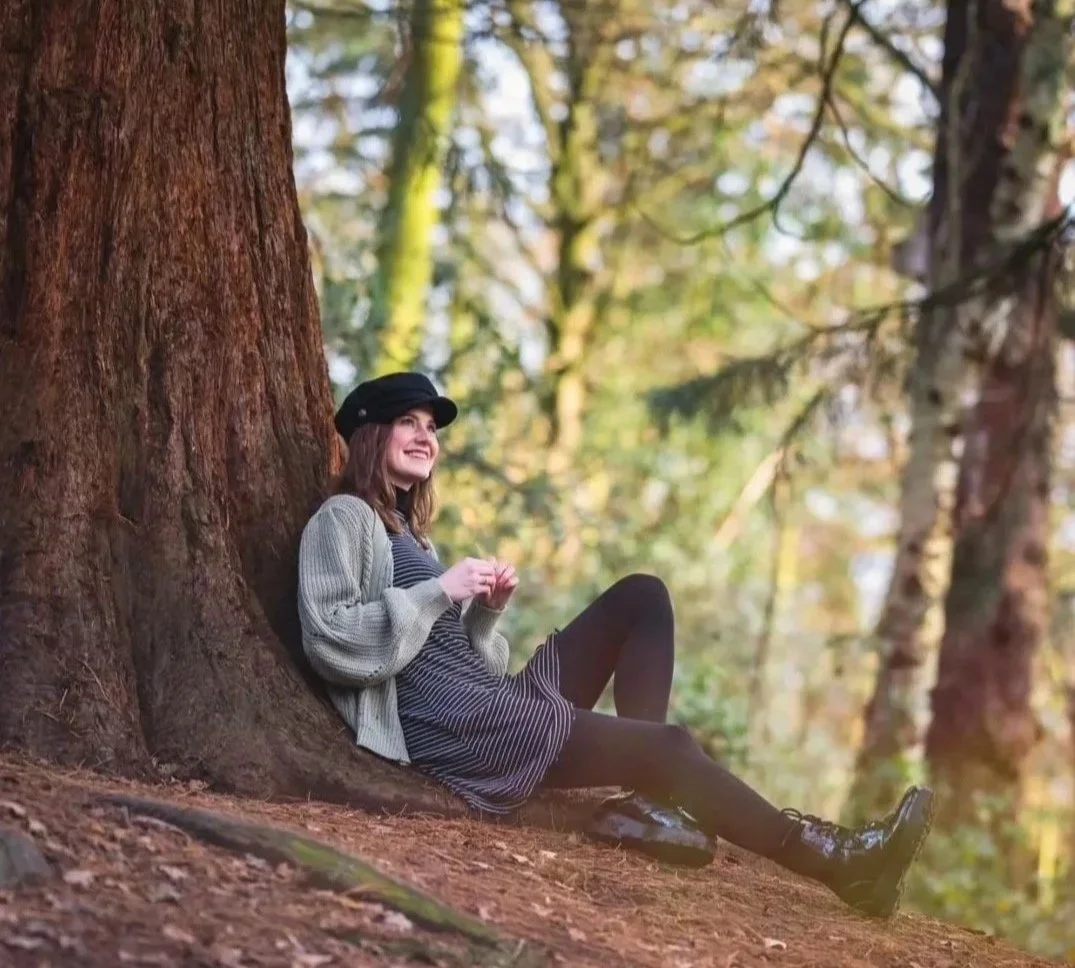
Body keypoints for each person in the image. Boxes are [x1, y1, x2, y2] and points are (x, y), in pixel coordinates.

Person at [297, 372, 933, 919]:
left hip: (486, 707)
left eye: (432, 428)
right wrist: (439, 590)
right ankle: (838, 862)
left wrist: (485, 615)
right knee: (671, 746)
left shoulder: (412, 535)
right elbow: (330, 637)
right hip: (454, 731)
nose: (425, 436)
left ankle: (647, 804)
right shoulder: (344, 518)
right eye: (406, 422)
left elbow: (460, 661)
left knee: (643, 595)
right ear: (369, 435)